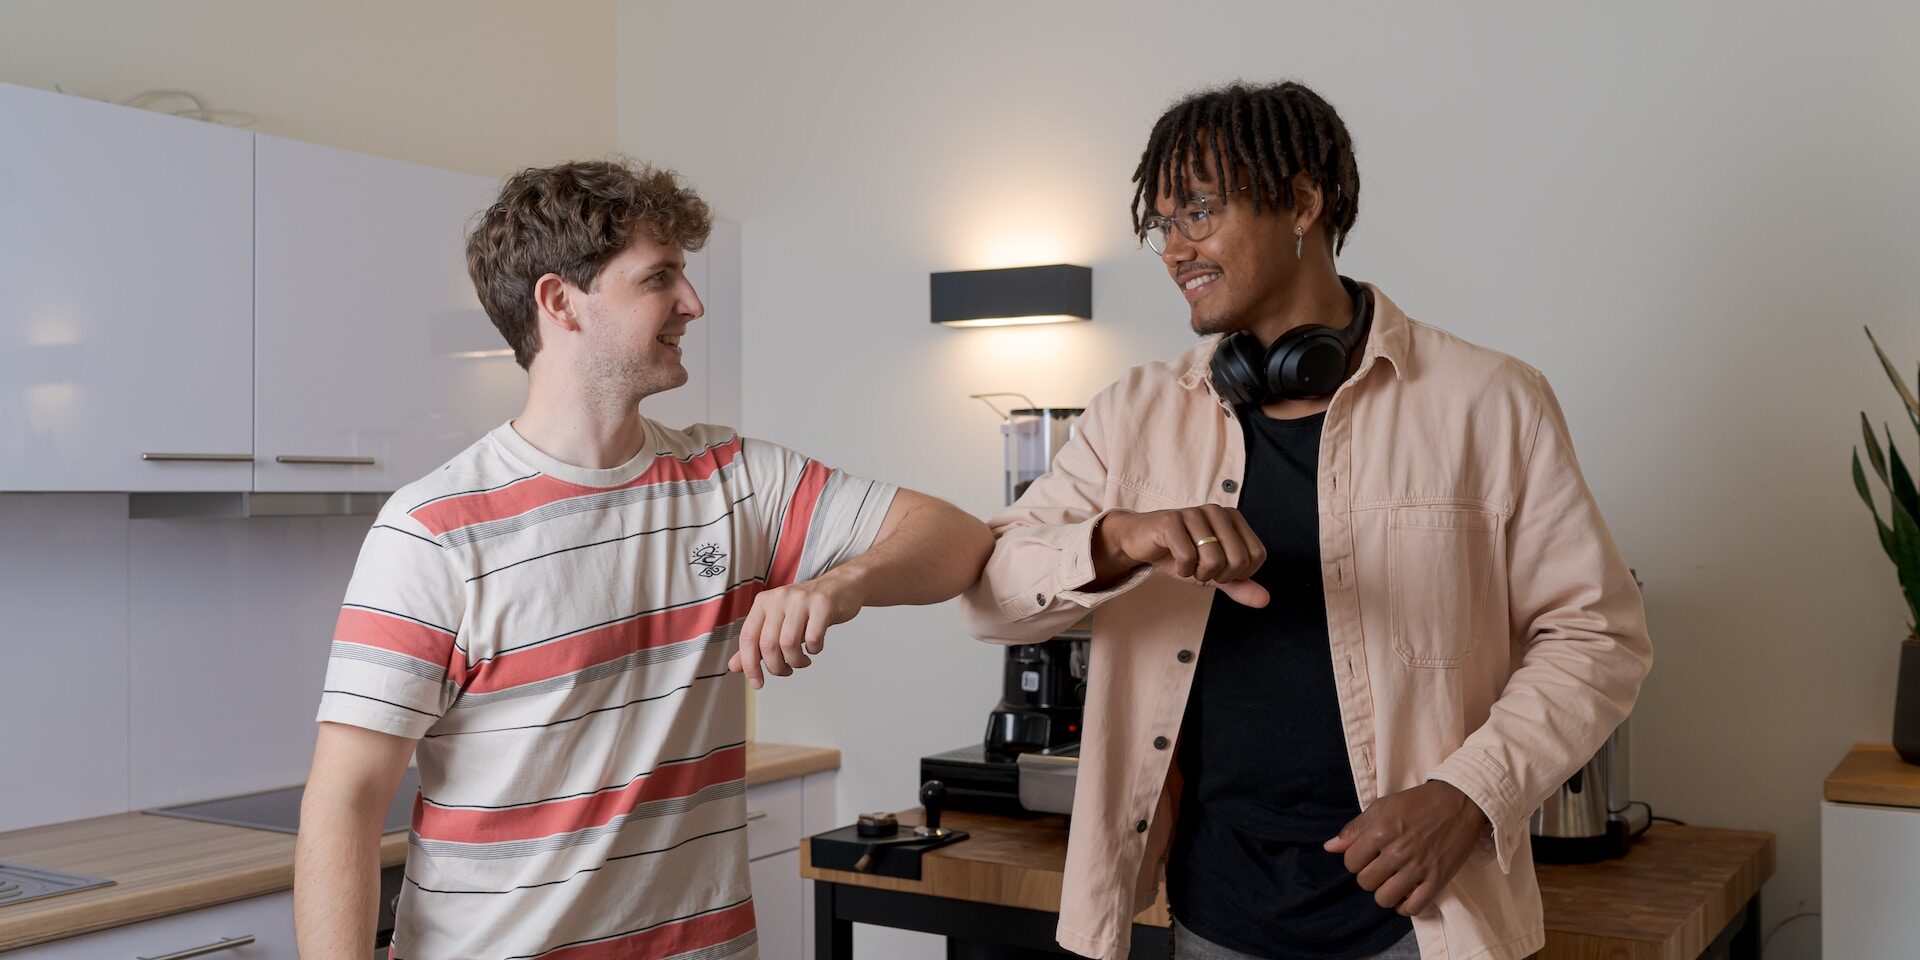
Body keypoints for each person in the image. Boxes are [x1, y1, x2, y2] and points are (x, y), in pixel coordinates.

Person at [961, 81, 1652, 960]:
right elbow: (987, 596)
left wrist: (1468, 795)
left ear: (1301, 200)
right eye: (1161, 224)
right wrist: (1120, 537)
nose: (1176, 249)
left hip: (1426, 920)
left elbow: (1598, 637)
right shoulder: (1134, 415)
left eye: (1199, 213)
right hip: (1209, 915)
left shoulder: (1491, 402)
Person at [293, 159, 993, 959]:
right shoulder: (434, 531)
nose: (691, 303)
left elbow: (960, 542)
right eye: (660, 278)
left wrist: (841, 583)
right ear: (560, 302)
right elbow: (342, 805)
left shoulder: (735, 480)